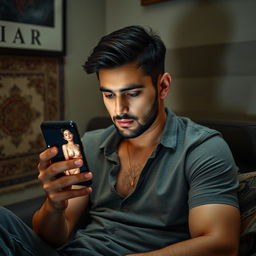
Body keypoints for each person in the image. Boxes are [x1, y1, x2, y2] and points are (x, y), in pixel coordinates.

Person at [0, 25, 240, 256]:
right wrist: (54, 203)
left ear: (163, 86)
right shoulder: (91, 144)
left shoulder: (202, 149)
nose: (119, 109)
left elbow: (220, 246)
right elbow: (54, 237)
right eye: (108, 94)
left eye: (132, 93)